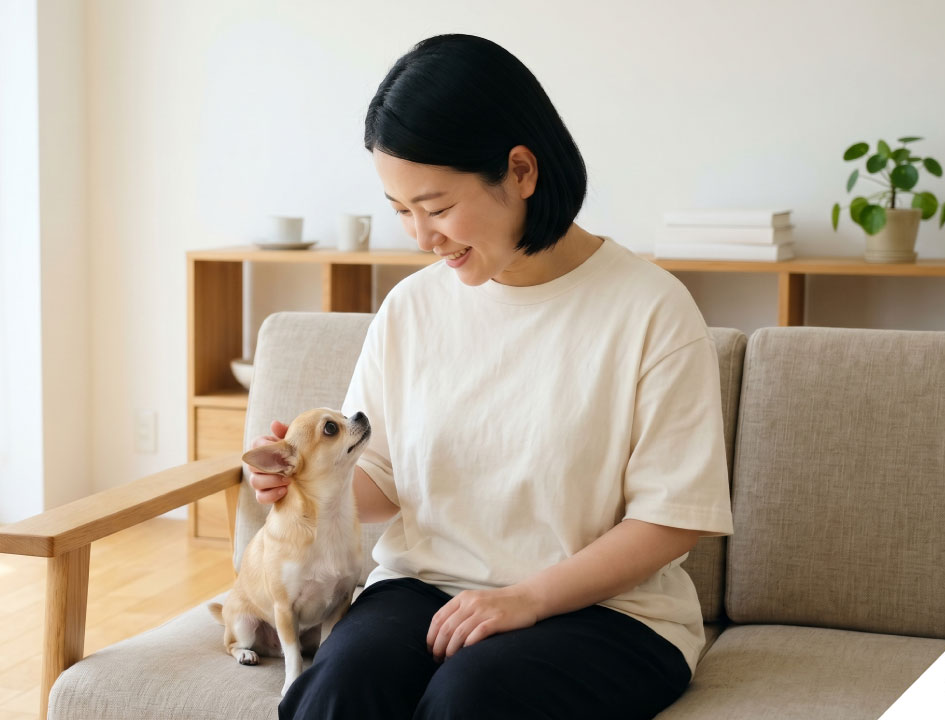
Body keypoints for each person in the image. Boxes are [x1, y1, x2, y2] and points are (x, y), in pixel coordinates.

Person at [248, 33, 734, 720]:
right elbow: (380, 479)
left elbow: (669, 520)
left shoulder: (650, 309)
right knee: (334, 691)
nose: (421, 236)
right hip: (425, 590)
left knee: (470, 698)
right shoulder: (411, 309)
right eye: (401, 211)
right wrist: (309, 480)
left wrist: (525, 599)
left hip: (610, 614)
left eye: (438, 207)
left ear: (521, 171)